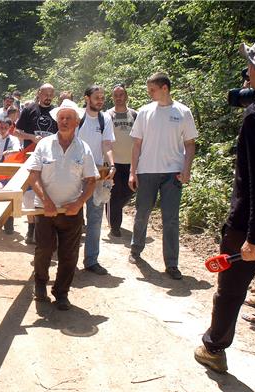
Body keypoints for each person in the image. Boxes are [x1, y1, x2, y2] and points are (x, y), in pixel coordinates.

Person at [194, 31, 255, 392]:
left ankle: (214, 349)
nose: (246, 70)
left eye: (250, 64)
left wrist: (254, 240)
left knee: (230, 291)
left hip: (252, 227)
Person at [28, 99, 98, 310]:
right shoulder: (44, 144)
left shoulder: (83, 149)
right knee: (44, 250)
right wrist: (47, 202)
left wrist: (79, 203)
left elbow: (91, 181)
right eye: (61, 118)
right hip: (45, 210)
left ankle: (61, 293)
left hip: (71, 211)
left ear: (77, 122)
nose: (64, 121)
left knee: (69, 255)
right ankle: (40, 284)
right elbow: (33, 176)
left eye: (69, 118)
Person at [127, 72, 198, 280]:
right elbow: (137, 144)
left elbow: (190, 145)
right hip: (147, 170)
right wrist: (133, 171)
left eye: (152, 89)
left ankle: (172, 264)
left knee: (171, 219)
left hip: (173, 173)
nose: (149, 93)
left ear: (164, 88)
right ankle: (135, 249)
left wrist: (187, 170)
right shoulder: (144, 112)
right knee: (142, 213)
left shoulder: (183, 112)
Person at [77, 85, 116, 275]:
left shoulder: (105, 118)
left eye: (102, 97)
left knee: (95, 218)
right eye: (96, 97)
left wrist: (112, 164)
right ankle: (66, 257)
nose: (100, 100)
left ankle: (91, 260)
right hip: (75, 174)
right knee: (72, 216)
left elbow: (106, 143)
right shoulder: (77, 117)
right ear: (87, 98)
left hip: (98, 174)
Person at [14, 83, 58, 244]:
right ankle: (31, 228)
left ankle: (46, 229)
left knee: (48, 192)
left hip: (51, 160)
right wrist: (32, 137)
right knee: (30, 195)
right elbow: (16, 132)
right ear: (39, 94)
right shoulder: (29, 110)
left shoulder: (56, 112)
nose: (48, 97)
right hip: (30, 157)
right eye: (45, 94)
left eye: (51, 94)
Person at [107, 84, 137, 237]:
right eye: (116, 95)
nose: (119, 98)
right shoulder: (107, 115)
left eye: (121, 95)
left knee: (129, 190)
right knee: (116, 193)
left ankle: (112, 208)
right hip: (114, 162)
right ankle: (115, 226)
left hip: (132, 161)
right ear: (112, 97)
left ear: (126, 96)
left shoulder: (134, 115)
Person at [0, 118, 21, 234]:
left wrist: (10, 152)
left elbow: (18, 150)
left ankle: (8, 225)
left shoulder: (13, 139)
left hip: (7, 173)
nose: (3, 130)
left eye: (5, 128)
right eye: (1, 128)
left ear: (10, 128)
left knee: (8, 197)